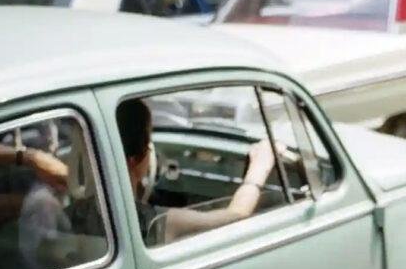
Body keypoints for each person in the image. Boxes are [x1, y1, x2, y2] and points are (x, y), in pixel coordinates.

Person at [114, 99, 282, 245]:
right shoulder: (154, 223)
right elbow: (236, 217)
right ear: (137, 158)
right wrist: (259, 167)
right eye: (149, 144)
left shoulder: (99, 216)